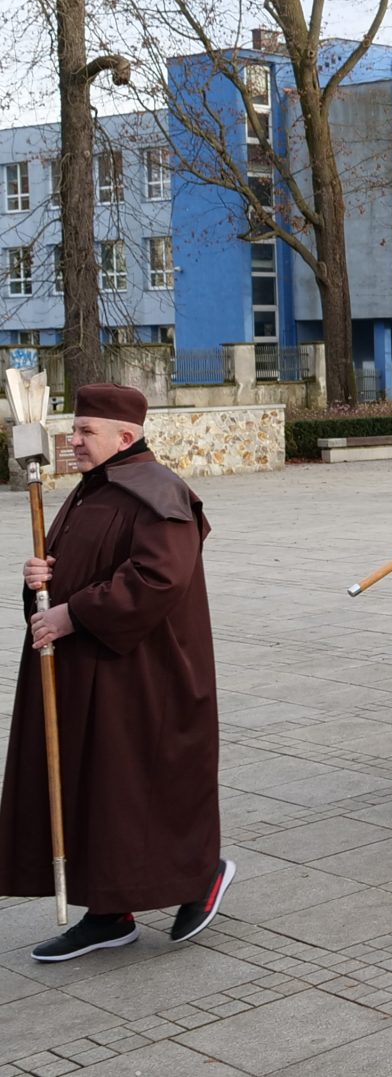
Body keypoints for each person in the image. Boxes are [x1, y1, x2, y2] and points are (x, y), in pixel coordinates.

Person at [1, 384, 235, 962]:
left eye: (85, 433)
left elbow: (157, 579)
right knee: (98, 792)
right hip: (90, 671)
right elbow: (75, 570)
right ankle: (108, 912)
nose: (72, 441)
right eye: (72, 429)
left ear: (124, 437)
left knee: (142, 787)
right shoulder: (93, 490)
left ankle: (200, 875)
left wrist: (71, 612)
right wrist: (40, 579)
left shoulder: (160, 493)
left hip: (143, 678)